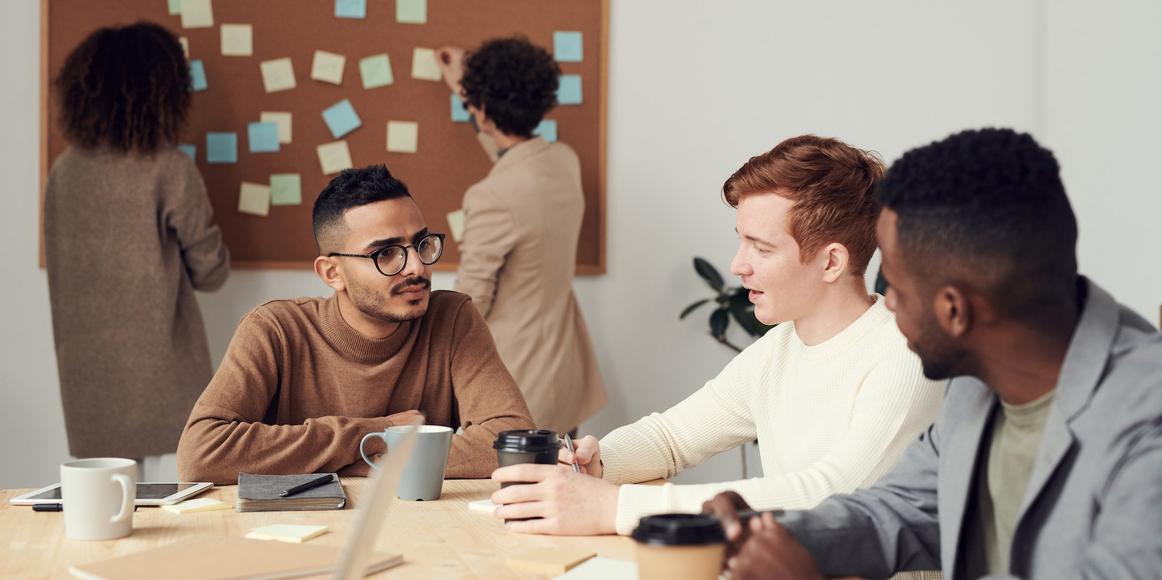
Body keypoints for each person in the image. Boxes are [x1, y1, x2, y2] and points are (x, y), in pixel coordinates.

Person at [708, 128, 1162, 579]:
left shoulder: (1148, 424)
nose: (887, 303)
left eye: (898, 289)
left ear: (954, 310)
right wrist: (774, 533)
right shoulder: (977, 387)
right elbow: (900, 510)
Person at [488, 135, 944, 537]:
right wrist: (600, 461)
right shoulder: (779, 348)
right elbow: (673, 438)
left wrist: (616, 508)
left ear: (831, 262)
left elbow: (831, 499)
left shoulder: (904, 355)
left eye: (761, 248)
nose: (737, 265)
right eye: (741, 241)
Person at [176, 165, 535, 484]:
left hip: (421, 529)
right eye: (386, 253)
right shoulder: (274, 329)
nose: (417, 268)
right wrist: (379, 432)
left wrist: (361, 461)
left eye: (421, 244)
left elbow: (513, 440)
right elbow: (202, 453)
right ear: (332, 273)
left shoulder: (452, 319)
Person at [44, 22, 229, 467]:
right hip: (164, 371)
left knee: (107, 503)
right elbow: (212, 272)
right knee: (179, 499)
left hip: (87, 370)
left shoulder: (64, 171)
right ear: (164, 92)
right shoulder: (169, 168)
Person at [435, 37, 606, 435]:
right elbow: (513, 159)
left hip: (517, 381)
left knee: (511, 495)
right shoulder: (563, 162)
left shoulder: (491, 196)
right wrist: (471, 93)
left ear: (483, 113)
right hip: (563, 375)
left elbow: (471, 300)